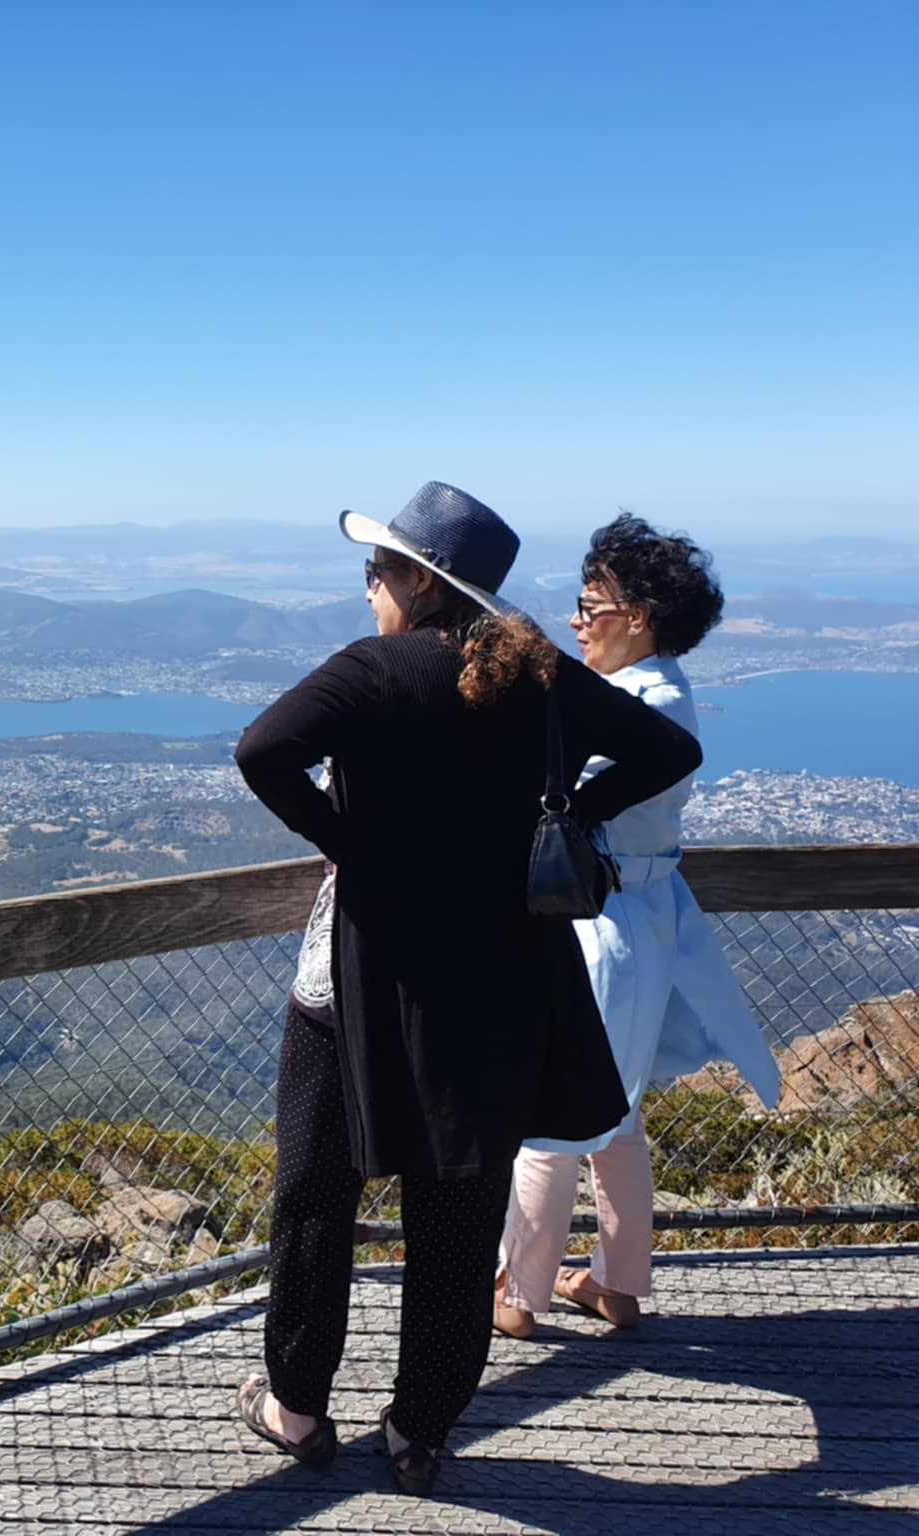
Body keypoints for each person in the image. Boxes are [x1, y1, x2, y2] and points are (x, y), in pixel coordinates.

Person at [232, 482, 702, 1496]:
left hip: (355, 979)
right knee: (457, 1207)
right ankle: (419, 1430)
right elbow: (669, 748)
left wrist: (346, 841)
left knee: (314, 1194)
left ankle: (296, 1406)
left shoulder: (371, 671)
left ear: (416, 582)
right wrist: (571, 810)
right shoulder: (535, 675)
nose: (367, 588)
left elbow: (261, 751)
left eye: (376, 571)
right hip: (495, 981)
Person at [493, 516, 781, 1338]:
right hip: (648, 921)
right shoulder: (669, 692)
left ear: (639, 615)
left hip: (597, 924)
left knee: (550, 1116)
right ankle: (616, 1284)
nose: (577, 620)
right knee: (615, 1115)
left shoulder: (634, 707)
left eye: (590, 605)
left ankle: (516, 1294)